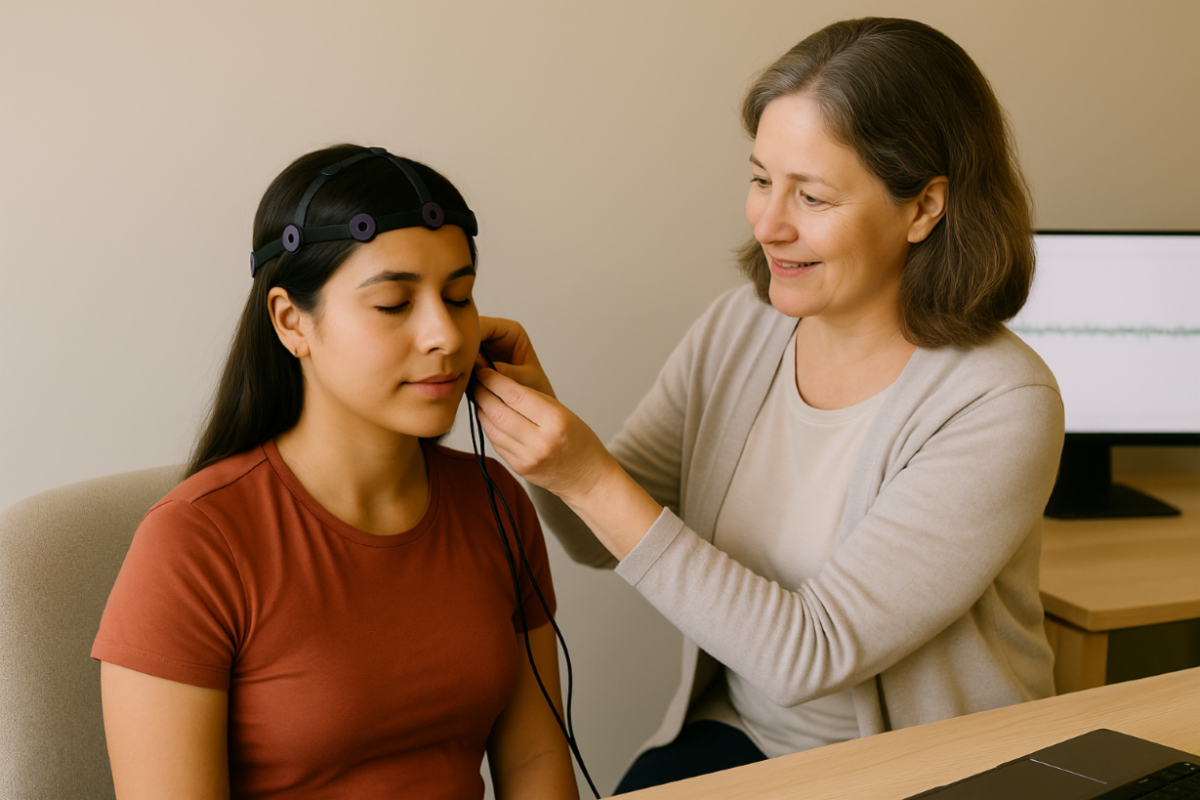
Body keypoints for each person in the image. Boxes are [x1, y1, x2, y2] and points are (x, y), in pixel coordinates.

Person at [471, 17, 1064, 793]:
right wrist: (550, 438)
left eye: (811, 195)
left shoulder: (1000, 402)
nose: (767, 222)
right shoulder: (741, 328)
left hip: (931, 771)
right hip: (747, 736)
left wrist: (584, 475)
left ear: (924, 208)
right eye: (760, 179)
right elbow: (602, 537)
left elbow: (808, 655)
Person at [92, 144, 578, 799]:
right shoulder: (192, 544)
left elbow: (534, 766)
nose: (445, 334)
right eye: (394, 305)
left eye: (459, 296)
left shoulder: (495, 503)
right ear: (292, 322)